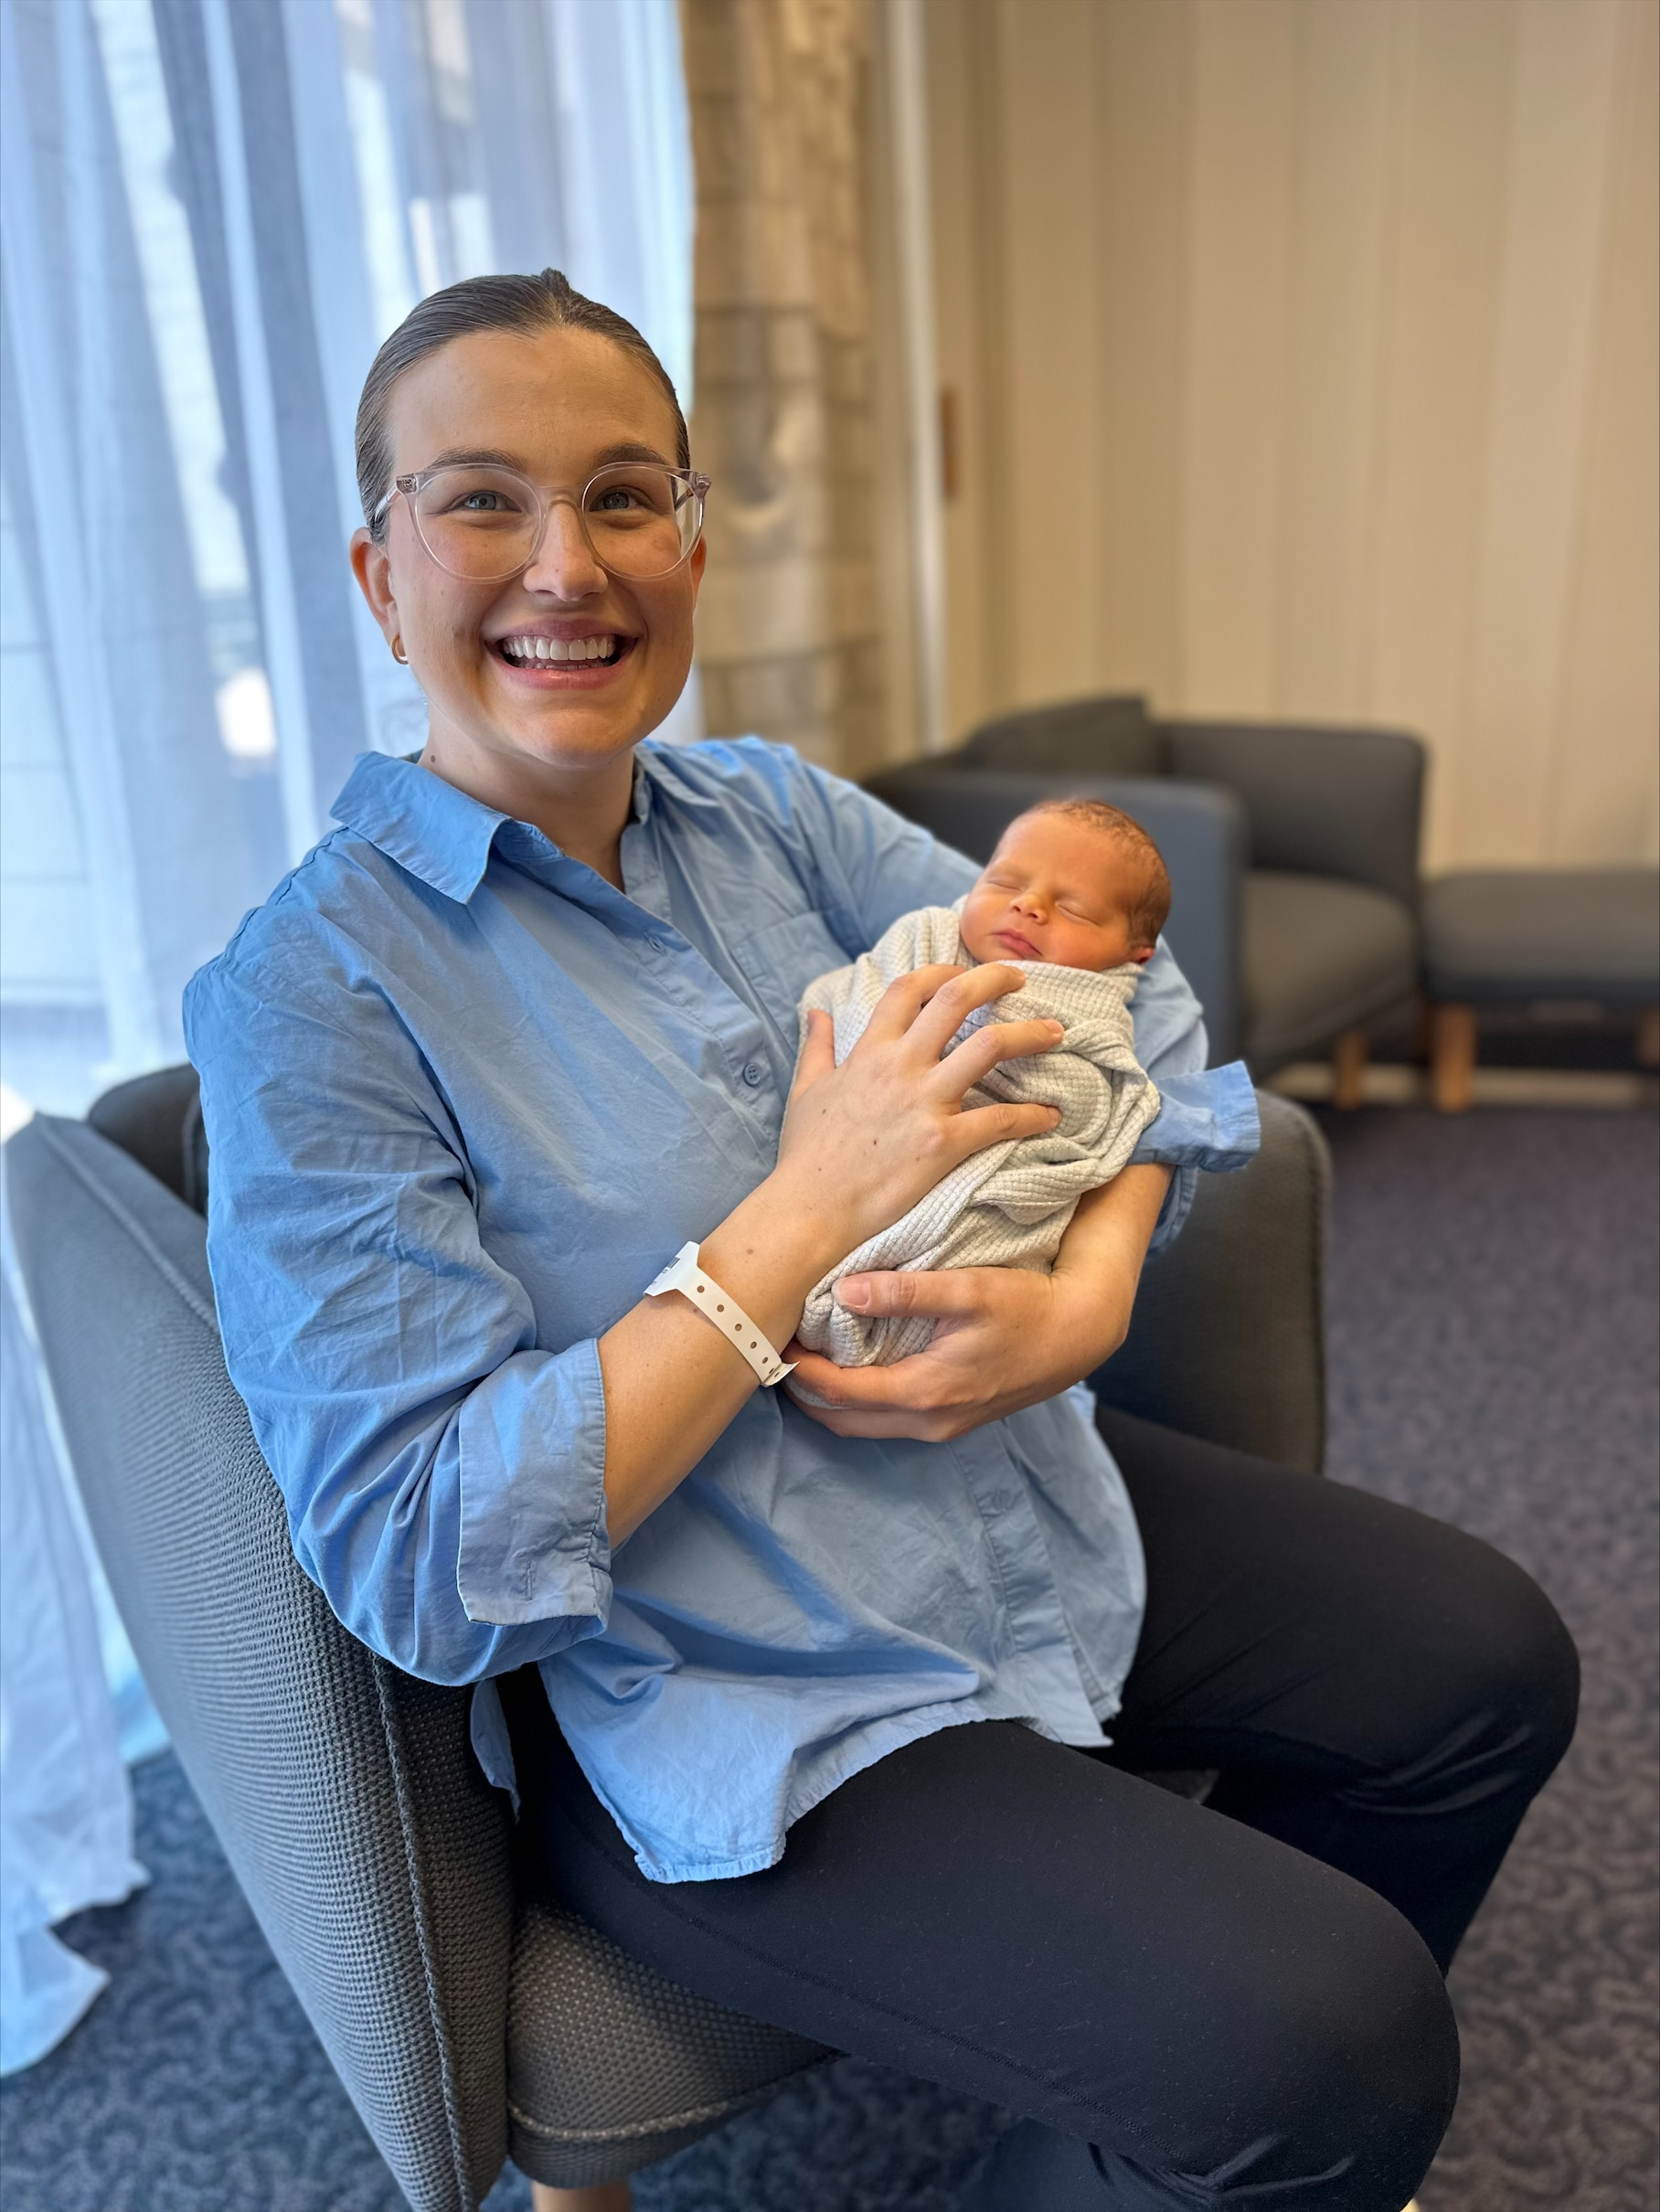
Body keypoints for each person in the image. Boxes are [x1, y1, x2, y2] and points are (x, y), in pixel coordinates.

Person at [184, 271, 1578, 2212]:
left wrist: (1081, 1305)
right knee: (1334, 2038)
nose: (561, 565)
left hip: (1007, 1512)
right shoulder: (312, 989)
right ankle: (1251, 2114)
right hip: (736, 1685)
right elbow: (419, 1557)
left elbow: (1141, 1015)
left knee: (1479, 1664)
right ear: (375, 565)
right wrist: (799, 1213)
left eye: (619, 494)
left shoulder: (767, 818)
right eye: (480, 499)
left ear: (687, 538)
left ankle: (1180, 2141)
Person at [793, 798, 1247, 1366]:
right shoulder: (929, 936)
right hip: (842, 1166)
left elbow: (1090, 1108)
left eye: (1076, 911)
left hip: (996, 1186)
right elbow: (858, 1016)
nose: (1027, 904)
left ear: (1135, 957)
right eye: (1004, 881)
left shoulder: (1100, 1013)